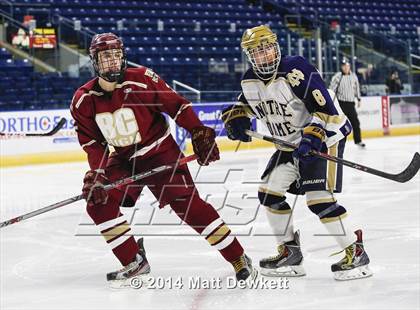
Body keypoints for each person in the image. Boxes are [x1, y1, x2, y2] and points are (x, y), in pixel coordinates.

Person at [70, 33, 256, 288]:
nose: (112, 62)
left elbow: (177, 106)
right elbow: (93, 143)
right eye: (105, 57)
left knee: (190, 207)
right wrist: (99, 173)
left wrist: (198, 132)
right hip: (124, 159)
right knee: (98, 203)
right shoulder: (83, 100)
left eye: (116, 55)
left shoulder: (142, 80)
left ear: (123, 57)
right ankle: (133, 260)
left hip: (160, 153)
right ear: (94, 61)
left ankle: (238, 257)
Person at [221, 25, 372, 281]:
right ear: (250, 56)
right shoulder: (249, 80)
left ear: (276, 47)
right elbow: (243, 106)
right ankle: (290, 253)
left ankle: (355, 254)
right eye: (257, 52)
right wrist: (236, 118)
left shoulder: (296, 69)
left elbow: (326, 111)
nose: (265, 56)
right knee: (268, 193)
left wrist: (313, 136)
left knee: (319, 200)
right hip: (289, 143)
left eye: (268, 48)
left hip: (325, 136)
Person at [329, 59, 366, 148]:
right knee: (338, 124)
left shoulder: (353, 76)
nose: (346, 68)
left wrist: (359, 99)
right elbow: (332, 89)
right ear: (342, 67)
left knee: (355, 123)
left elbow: (357, 87)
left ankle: (358, 141)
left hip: (351, 104)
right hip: (340, 104)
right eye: (344, 66)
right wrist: (331, 101)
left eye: (347, 66)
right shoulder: (337, 76)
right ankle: (334, 141)